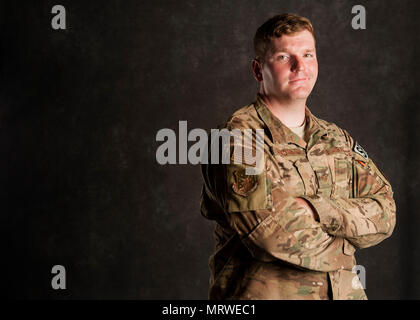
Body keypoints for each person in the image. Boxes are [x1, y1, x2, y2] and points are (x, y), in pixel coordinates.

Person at [200, 13, 396, 300]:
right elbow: (270, 233)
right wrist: (346, 249)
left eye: (307, 54)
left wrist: (317, 210)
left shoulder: (336, 138)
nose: (299, 66)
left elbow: (386, 211)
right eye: (283, 57)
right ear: (258, 70)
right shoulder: (237, 139)